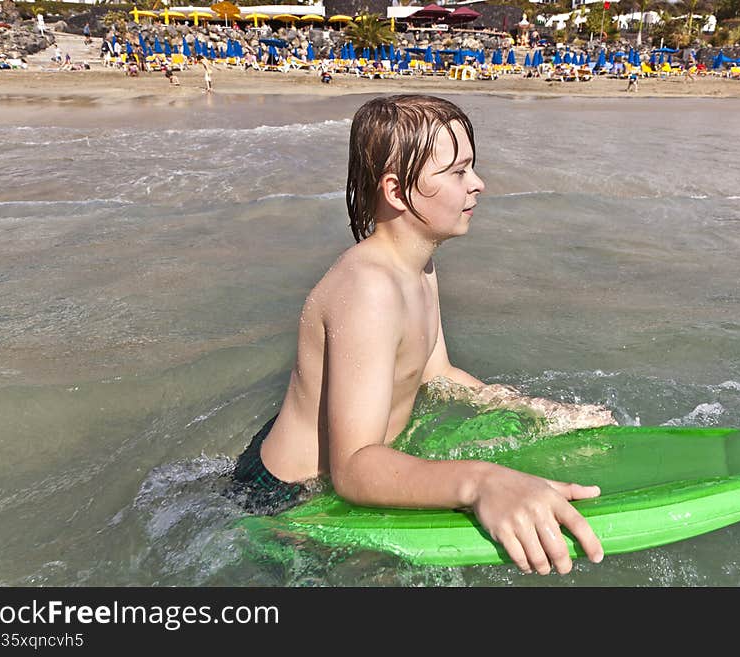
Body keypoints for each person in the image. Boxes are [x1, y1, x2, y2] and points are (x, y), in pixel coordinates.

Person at [229, 95, 616, 576]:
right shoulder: (369, 289)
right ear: (396, 191)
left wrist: (540, 412)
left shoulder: (417, 265)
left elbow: (436, 371)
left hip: (342, 466)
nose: (478, 184)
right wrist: (482, 483)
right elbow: (353, 468)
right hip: (287, 500)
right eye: (457, 172)